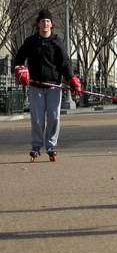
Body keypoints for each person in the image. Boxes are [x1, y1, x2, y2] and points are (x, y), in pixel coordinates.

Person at [13, 9, 82, 162]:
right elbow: (19, 58)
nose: (45, 24)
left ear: (52, 24)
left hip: (53, 86)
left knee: (54, 116)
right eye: (43, 21)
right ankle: (36, 145)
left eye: (48, 21)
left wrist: (72, 80)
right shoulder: (31, 42)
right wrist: (20, 70)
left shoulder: (57, 41)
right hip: (36, 86)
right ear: (38, 24)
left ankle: (51, 145)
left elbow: (65, 64)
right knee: (37, 118)